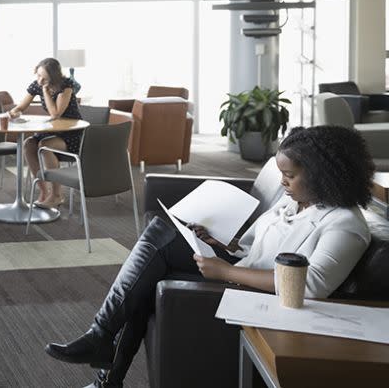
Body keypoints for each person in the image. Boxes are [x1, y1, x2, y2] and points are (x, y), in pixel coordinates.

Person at [45, 125, 373, 388]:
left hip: (259, 295)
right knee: (160, 234)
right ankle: (104, 356)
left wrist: (224, 272)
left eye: (289, 175)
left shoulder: (345, 224)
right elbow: (253, 247)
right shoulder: (299, 200)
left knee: (153, 264)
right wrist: (220, 244)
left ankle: (102, 349)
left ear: (323, 174)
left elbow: (310, 285)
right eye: (281, 173)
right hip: (242, 270)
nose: (283, 182)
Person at [7, 57, 83, 209]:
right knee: (29, 144)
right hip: (52, 130)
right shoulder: (37, 84)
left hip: (71, 132)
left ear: (53, 77)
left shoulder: (66, 86)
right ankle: (44, 190)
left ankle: (57, 195)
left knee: (45, 146)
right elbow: (21, 106)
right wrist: (14, 112)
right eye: (38, 75)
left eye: (44, 78)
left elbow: (55, 114)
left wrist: (45, 92)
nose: (40, 80)